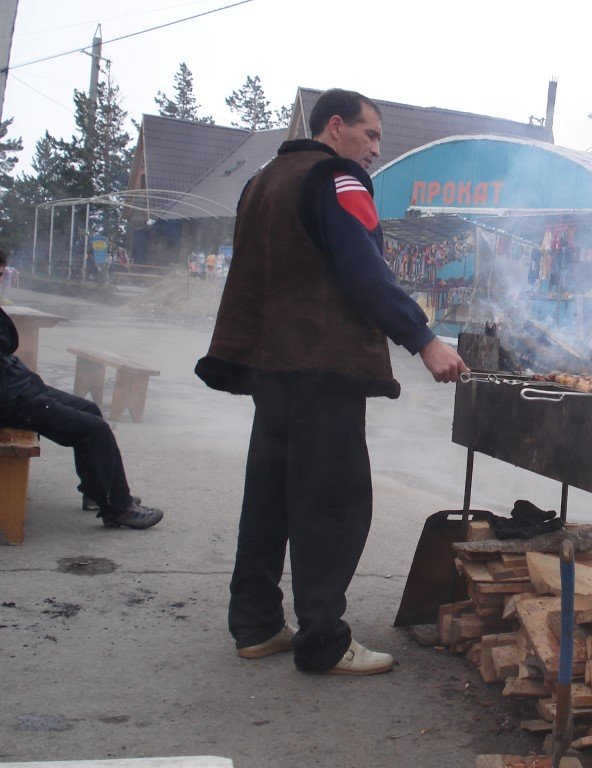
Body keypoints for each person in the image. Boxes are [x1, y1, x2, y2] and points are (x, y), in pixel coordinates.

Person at [195, 88, 469, 676]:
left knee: (268, 499)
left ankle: (257, 626)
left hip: (271, 368)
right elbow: (362, 267)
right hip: (322, 368)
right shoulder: (337, 179)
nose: (375, 149)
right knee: (332, 504)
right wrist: (424, 338)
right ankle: (322, 641)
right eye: (370, 135)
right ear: (336, 127)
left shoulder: (263, 180)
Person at [0, 248, 163, 530]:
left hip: (18, 390)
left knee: (89, 409)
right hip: (10, 400)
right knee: (94, 430)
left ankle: (97, 491)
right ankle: (118, 508)